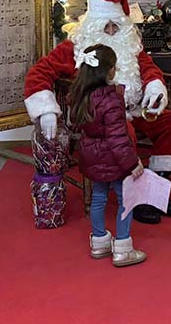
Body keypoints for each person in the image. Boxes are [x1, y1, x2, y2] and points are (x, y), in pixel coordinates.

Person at [24, 0, 171, 225]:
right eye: (105, 26)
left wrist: (154, 88)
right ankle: (136, 197)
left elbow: (149, 69)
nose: (111, 31)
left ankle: (155, 193)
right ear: (92, 25)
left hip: (131, 111)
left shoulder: (130, 45)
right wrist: (46, 110)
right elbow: (39, 72)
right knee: (124, 134)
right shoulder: (75, 47)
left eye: (116, 26)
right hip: (97, 118)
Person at [69, 44, 147, 267]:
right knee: (125, 200)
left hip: (92, 156)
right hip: (114, 160)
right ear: (109, 70)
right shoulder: (111, 99)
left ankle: (99, 242)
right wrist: (132, 163)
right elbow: (117, 138)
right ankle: (123, 248)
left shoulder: (80, 95)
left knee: (98, 197)